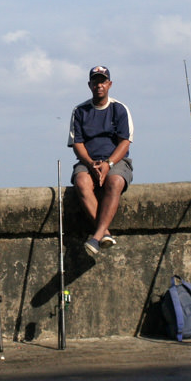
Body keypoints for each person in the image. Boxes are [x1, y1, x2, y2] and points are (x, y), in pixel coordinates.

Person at [67, 65, 134, 255]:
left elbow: (125, 142)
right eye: (95, 82)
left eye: (102, 81)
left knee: (115, 181)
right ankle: (104, 232)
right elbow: (77, 143)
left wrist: (109, 164)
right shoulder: (80, 111)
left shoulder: (119, 109)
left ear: (109, 84)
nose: (99, 85)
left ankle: (95, 237)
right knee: (81, 181)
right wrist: (90, 163)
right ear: (90, 85)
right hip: (89, 161)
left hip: (115, 161)